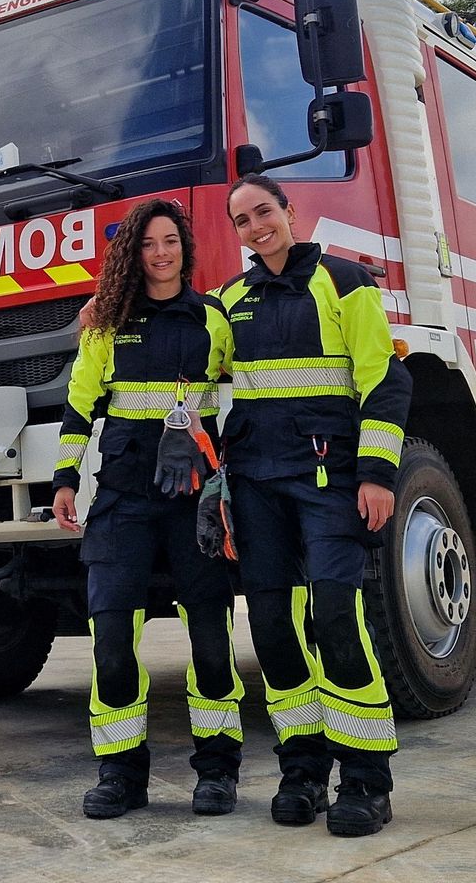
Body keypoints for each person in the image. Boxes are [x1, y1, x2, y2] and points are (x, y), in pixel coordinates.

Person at [217, 174, 411, 837]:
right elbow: (193, 365)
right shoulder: (230, 298)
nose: (255, 227)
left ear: (290, 212)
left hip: (329, 478)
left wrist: (377, 474)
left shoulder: (344, 280)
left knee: (335, 615)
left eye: (263, 211)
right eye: (241, 220)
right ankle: (303, 770)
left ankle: (365, 779)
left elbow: (382, 379)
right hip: (255, 483)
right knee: (271, 628)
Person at [51, 198, 244, 820]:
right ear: (132, 255)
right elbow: (81, 405)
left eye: (170, 241)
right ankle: (120, 774)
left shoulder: (215, 320)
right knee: (110, 638)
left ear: (185, 248)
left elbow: (250, 389)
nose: (161, 254)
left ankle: (216, 773)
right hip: (123, 499)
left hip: (196, 502)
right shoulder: (105, 324)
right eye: (148, 244)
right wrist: (63, 478)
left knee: (211, 642)